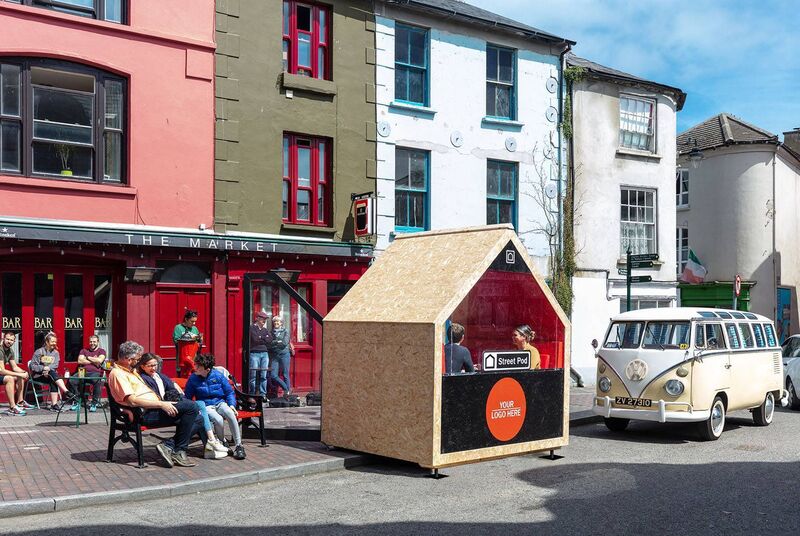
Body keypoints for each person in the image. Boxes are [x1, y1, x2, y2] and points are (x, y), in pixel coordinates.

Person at [107, 340, 202, 468]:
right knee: (192, 407)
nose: (138, 362)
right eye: (137, 359)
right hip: (144, 413)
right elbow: (132, 401)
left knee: (198, 419)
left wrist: (169, 391)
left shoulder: (130, 371)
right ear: (128, 360)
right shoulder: (118, 374)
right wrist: (162, 404)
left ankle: (169, 446)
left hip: (153, 408)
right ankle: (178, 450)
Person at [136, 353, 227, 460]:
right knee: (193, 407)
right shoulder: (143, 379)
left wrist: (174, 387)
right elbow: (153, 398)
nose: (154, 368)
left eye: (155, 365)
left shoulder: (159, 376)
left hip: (168, 407)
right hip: (154, 412)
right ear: (142, 366)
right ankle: (207, 444)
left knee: (198, 419)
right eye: (150, 366)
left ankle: (171, 445)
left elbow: (171, 387)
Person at [185, 353, 246, 460]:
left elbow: (229, 392)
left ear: (207, 369)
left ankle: (239, 446)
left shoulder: (218, 375)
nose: (195, 368)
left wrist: (232, 405)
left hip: (220, 402)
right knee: (218, 419)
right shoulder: (193, 378)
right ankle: (222, 442)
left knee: (230, 413)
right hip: (206, 405)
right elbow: (187, 397)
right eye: (196, 365)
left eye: (198, 366)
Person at [29, 333, 75, 411]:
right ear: (47, 342)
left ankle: (54, 404)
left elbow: (55, 365)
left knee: (53, 379)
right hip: (38, 375)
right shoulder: (39, 351)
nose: (54, 343)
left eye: (55, 342)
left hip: (50, 374)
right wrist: (43, 368)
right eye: (52, 341)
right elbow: (32, 366)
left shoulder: (56, 353)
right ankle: (66, 391)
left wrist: (48, 369)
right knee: (53, 376)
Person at [68, 334, 106, 412]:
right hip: (83, 371)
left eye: (94, 342)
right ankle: (77, 401)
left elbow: (99, 360)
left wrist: (87, 357)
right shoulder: (84, 350)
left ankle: (94, 403)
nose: (92, 343)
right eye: (91, 342)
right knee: (72, 380)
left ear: (98, 342)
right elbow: (80, 361)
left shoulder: (101, 351)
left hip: (95, 372)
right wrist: (94, 361)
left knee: (96, 380)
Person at [0, 332, 31, 416]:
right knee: (9, 378)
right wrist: (20, 374)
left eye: (11, 340)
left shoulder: (10, 351)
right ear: (3, 339)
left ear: (14, 341)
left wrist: (24, 372)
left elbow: (14, 367)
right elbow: (2, 371)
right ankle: (12, 407)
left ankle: (20, 402)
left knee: (19, 376)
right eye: (7, 339)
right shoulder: (0, 350)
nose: (9, 341)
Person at [248, 310, 272, 396]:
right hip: (254, 353)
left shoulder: (265, 330)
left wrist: (261, 337)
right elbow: (255, 339)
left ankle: (263, 394)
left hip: (265, 353)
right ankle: (252, 394)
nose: (264, 320)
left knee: (263, 375)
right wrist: (264, 338)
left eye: (265, 319)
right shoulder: (252, 328)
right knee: (253, 375)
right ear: (257, 318)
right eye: (262, 318)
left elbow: (270, 339)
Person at [173, 310, 202, 377]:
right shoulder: (178, 328)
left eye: (195, 321)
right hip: (182, 357)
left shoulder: (194, 328)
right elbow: (176, 341)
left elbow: (198, 341)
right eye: (192, 321)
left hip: (194, 356)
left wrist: (199, 339)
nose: (194, 323)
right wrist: (187, 338)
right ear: (186, 319)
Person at [268, 316, 292, 397]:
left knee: (285, 374)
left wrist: (274, 343)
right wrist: (277, 342)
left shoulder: (286, 331)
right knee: (273, 375)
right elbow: (269, 344)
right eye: (275, 322)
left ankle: (287, 395)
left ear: (281, 323)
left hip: (284, 354)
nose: (276, 323)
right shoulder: (271, 332)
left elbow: (284, 343)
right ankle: (286, 389)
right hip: (275, 355)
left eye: (278, 321)